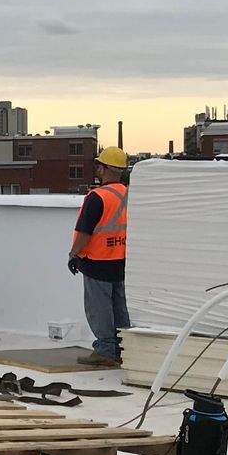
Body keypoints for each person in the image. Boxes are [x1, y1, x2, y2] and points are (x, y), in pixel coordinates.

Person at [66, 146, 131, 366]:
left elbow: (85, 232)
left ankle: (105, 351)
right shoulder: (129, 194)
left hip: (97, 261)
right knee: (119, 306)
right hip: (121, 261)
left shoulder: (97, 197)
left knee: (99, 309)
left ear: (104, 169)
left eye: (99, 166)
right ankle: (124, 349)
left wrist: (74, 254)